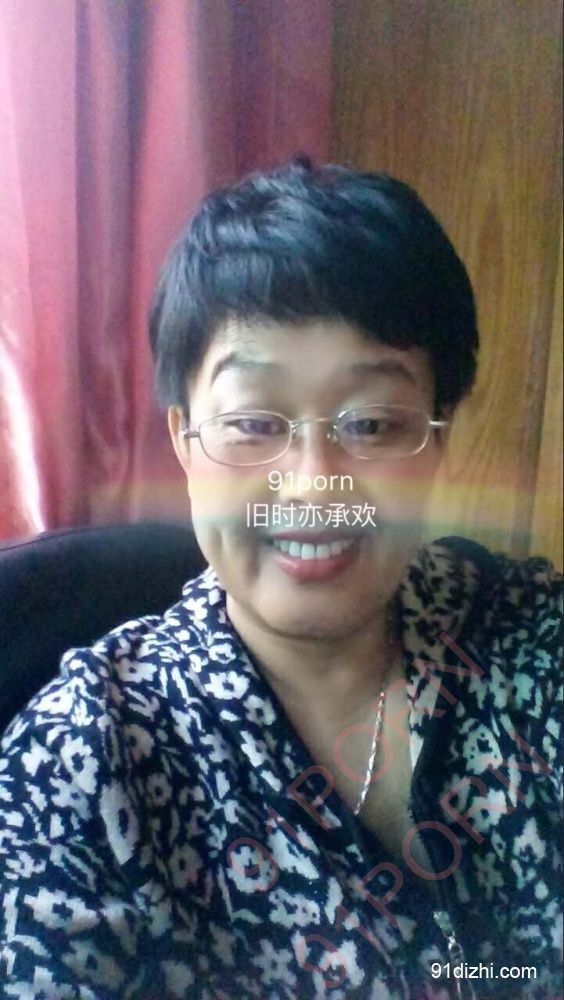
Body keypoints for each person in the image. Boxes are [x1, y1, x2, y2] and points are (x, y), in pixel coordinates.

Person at [0, 156, 561, 1000]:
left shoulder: (531, 639)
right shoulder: (86, 757)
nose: (313, 485)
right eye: (254, 423)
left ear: (438, 438)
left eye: (372, 423)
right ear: (186, 440)